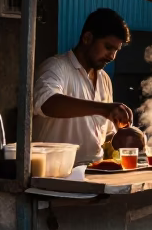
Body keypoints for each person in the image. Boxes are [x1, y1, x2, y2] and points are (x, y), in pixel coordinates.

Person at [33, 8, 135, 162]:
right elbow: (46, 103)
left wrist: (123, 137)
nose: (112, 56)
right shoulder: (56, 67)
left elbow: (103, 136)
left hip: (94, 172)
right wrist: (103, 108)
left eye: (116, 50)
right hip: (56, 175)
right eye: (108, 47)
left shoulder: (104, 79)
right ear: (87, 38)